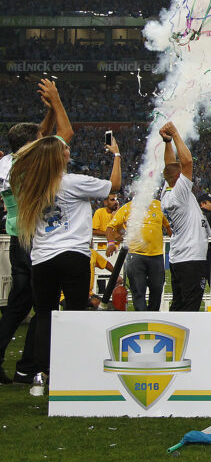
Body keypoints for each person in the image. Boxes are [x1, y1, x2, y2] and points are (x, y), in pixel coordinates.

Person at [11, 131, 120, 396]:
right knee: (74, 313)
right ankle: (75, 370)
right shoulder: (72, 182)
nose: (68, 150)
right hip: (73, 255)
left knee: (45, 315)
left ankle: (42, 374)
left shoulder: (30, 184)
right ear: (58, 157)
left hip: (42, 258)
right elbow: (114, 186)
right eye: (65, 149)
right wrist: (117, 154)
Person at [0, 80, 74, 386]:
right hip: (35, 239)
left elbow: (38, 137)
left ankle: (23, 366)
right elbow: (63, 136)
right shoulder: (30, 163)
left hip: (17, 239)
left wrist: (46, 114)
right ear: (32, 146)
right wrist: (56, 101)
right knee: (43, 304)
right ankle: (28, 366)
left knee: (20, 305)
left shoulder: (8, 162)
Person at [159, 122, 211, 312]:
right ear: (179, 177)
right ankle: (188, 340)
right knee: (190, 306)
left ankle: (174, 339)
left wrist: (167, 142)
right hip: (192, 257)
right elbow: (187, 162)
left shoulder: (167, 193)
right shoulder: (180, 193)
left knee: (179, 303)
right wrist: (176, 133)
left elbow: (169, 166)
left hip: (178, 257)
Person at [105, 195, 171, 311]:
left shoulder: (158, 205)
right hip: (135, 255)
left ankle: (152, 316)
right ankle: (142, 318)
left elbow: (168, 225)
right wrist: (111, 243)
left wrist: (176, 239)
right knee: (138, 290)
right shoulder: (127, 208)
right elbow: (110, 227)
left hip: (156, 255)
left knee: (157, 289)